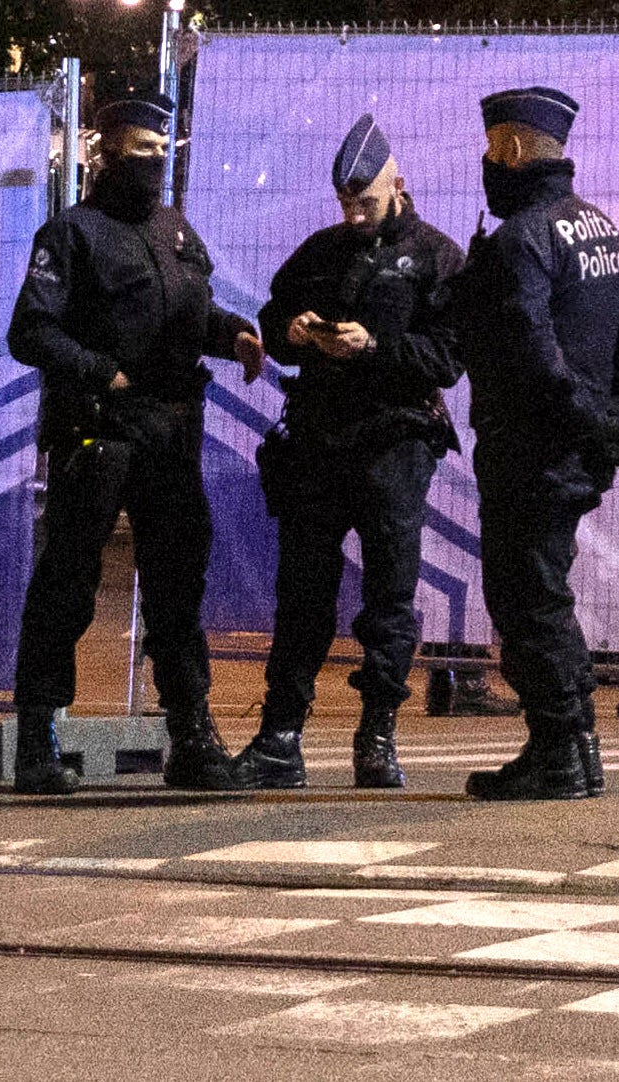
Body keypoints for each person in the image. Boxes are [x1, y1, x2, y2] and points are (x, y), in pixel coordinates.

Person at [0, 81, 260, 793]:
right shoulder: (71, 234)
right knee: (67, 583)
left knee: (178, 586)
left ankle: (192, 733)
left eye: (161, 149)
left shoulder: (174, 229)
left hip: (172, 430)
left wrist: (235, 333)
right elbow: (30, 331)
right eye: (140, 150)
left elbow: (193, 311)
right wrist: (100, 372)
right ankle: (38, 735)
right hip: (99, 430)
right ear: (106, 154)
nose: (154, 161)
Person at [238, 112, 464, 789]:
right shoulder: (321, 249)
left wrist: (376, 347)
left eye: (365, 200)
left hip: (393, 442)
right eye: (344, 202)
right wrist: (296, 334)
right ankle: (281, 737)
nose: (354, 213)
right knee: (300, 593)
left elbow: (448, 359)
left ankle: (377, 736)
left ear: (398, 184)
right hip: (319, 437)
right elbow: (273, 322)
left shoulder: (437, 258)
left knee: (389, 594)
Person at [450, 81, 619, 801]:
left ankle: (559, 750)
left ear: (508, 148)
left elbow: (533, 356)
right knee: (544, 591)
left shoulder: (521, 240)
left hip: (530, 450)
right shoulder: (600, 228)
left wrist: (587, 424)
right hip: (576, 448)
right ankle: (573, 748)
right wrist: (616, 424)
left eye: (488, 149)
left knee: (527, 599)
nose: (486, 162)